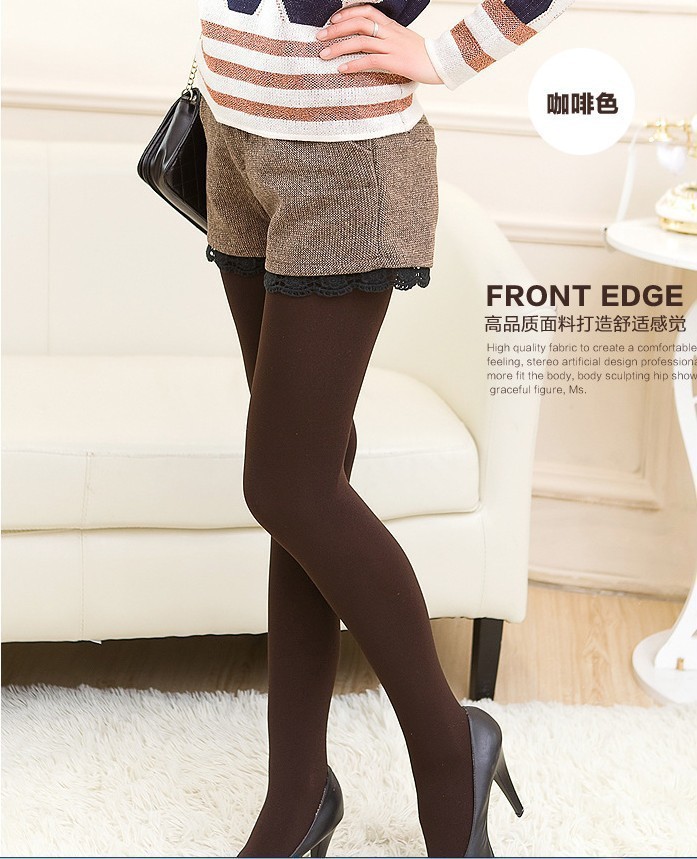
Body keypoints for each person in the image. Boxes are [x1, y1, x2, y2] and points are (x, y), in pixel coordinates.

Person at [195, 0, 575, 855]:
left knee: (288, 486)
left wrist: (444, 55)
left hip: (344, 159)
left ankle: (448, 750)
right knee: (307, 479)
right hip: (231, 127)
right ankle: (296, 791)